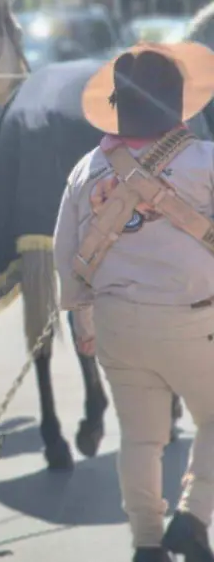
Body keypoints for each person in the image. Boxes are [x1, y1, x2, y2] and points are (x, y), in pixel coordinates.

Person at [54, 42, 214, 562]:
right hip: (196, 320)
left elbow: (67, 253)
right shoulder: (206, 160)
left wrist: (83, 322)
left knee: (140, 439)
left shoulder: (86, 169)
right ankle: (192, 517)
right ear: (178, 104)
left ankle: (147, 541)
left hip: (118, 323)